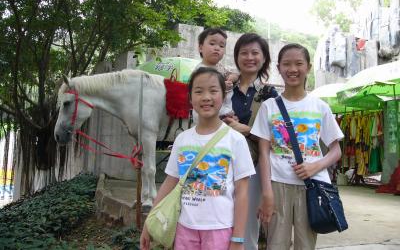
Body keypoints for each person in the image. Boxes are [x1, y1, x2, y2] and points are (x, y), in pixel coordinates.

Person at [140, 67, 255, 250]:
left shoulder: (236, 140)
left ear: (223, 96)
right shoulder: (182, 139)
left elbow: (242, 194)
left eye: (213, 91)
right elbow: (170, 183)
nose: (206, 97)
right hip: (184, 229)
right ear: (190, 98)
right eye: (199, 91)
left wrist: (238, 239)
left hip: (220, 230)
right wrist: (149, 224)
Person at [250, 43, 344, 250]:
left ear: (308, 67)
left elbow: (336, 150)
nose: (293, 69)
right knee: (276, 244)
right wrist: (266, 193)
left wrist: (316, 166)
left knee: (306, 245)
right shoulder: (269, 107)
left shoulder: (320, 107)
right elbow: (264, 153)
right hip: (277, 184)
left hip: (312, 187)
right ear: (279, 68)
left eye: (299, 64)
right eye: (287, 64)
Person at [222, 33, 277, 250]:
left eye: (255, 52)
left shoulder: (269, 94)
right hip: (222, 162)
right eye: (243, 52)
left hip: (253, 167)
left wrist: (243, 128)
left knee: (247, 228)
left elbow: (276, 137)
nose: (249, 57)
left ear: (264, 58)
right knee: (219, 218)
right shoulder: (225, 89)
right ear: (236, 57)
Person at [194, 28, 239, 117]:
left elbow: (234, 74)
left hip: (223, 110)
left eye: (221, 46)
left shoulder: (220, 67)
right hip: (206, 112)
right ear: (200, 48)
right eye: (212, 44)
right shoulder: (200, 70)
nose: (217, 48)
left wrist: (231, 78)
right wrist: (223, 87)